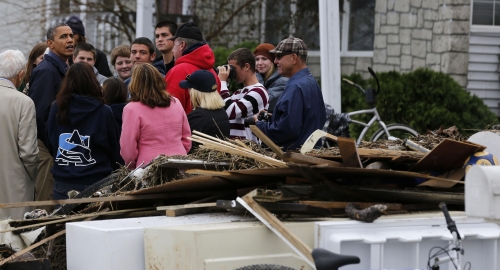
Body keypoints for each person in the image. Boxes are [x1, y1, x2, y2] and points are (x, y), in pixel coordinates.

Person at [46, 62, 121, 200]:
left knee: (64, 222)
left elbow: (51, 140)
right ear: (93, 81)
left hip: (64, 178)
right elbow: (113, 147)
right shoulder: (103, 111)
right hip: (97, 178)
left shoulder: (57, 107)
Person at [29, 22, 74, 204]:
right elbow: (40, 116)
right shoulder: (47, 71)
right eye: (63, 37)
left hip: (59, 147)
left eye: (71, 35)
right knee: (46, 203)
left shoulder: (62, 69)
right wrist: (56, 147)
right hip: (48, 149)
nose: (70, 40)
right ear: (50, 43)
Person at [254, 37, 326, 150]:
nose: (275, 61)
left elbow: (287, 129)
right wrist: (275, 118)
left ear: (293, 58)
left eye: (279, 57)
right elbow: (307, 120)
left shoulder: (295, 86)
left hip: (295, 158)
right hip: (309, 154)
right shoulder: (310, 81)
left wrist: (259, 125)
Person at [120, 63, 191, 169]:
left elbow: (128, 149)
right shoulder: (175, 102)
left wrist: (132, 166)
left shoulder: (131, 109)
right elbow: (187, 137)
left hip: (149, 166)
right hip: (179, 161)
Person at [0, 50, 39, 220]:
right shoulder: (24, 102)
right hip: (15, 184)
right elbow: (28, 152)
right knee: (14, 241)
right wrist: (33, 176)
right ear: (21, 74)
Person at [165, 22, 221, 115]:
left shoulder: (179, 71)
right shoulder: (213, 73)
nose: (172, 50)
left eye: (174, 45)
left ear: (182, 45)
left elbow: (168, 110)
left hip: (186, 128)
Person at [217, 48, 269, 141]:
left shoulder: (259, 92)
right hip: (234, 148)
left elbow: (231, 112)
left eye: (233, 68)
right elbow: (222, 112)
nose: (231, 72)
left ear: (246, 66)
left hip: (248, 149)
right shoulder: (238, 93)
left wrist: (222, 83)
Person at [179, 69, 230, 150]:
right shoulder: (222, 112)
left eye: (189, 88)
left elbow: (187, 146)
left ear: (195, 92)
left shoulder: (198, 117)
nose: (188, 91)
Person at [254, 43, 288, 113]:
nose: (259, 63)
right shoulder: (263, 79)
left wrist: (256, 77)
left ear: (273, 61)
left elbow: (262, 104)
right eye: (257, 59)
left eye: (264, 59)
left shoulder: (283, 81)